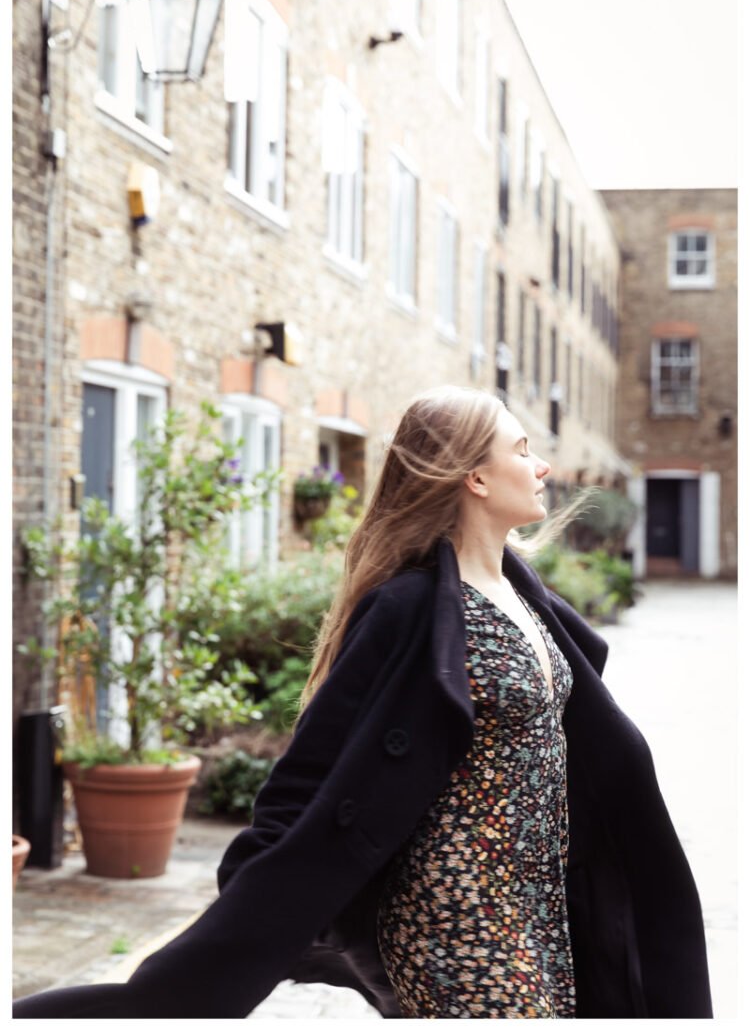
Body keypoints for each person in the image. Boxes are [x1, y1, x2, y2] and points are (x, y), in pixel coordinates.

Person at [14, 385, 712, 1018]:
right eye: (522, 450)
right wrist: (253, 897)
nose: (542, 467)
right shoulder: (409, 610)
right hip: (454, 915)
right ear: (474, 476)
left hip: (542, 908)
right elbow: (317, 762)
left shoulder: (532, 600)